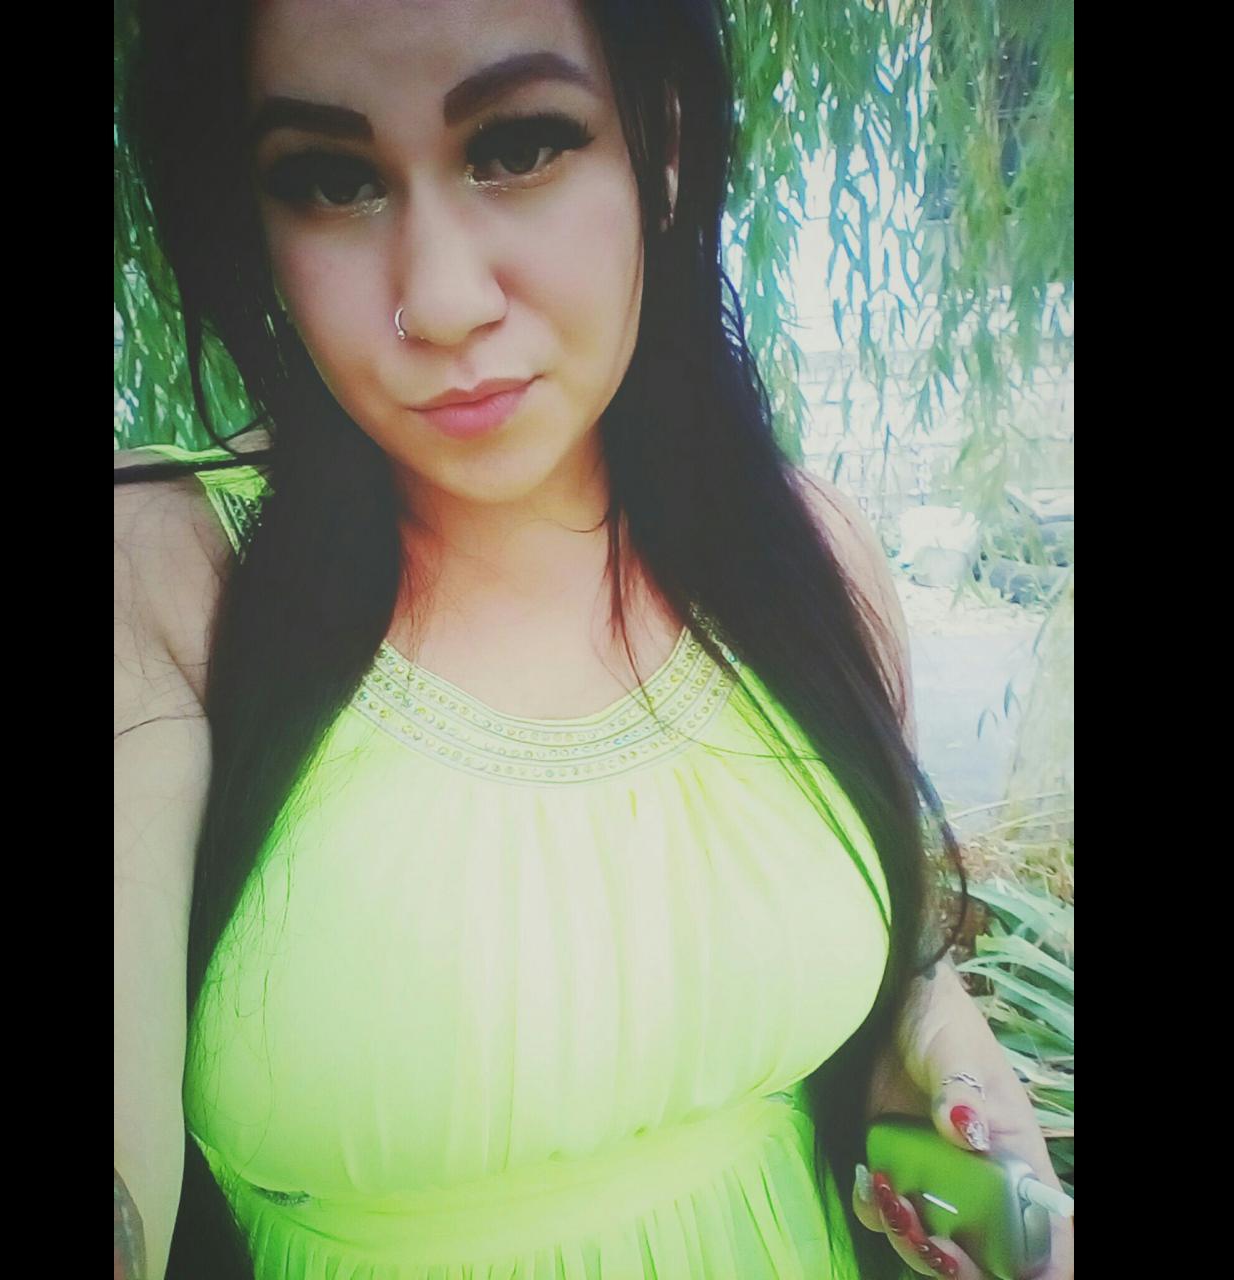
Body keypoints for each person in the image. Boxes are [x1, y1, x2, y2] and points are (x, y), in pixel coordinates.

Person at [113, 2, 1073, 1278]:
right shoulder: (164, 580)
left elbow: (893, 978)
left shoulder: (809, 561)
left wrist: (961, 1112)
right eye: (331, 180)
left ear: (660, 145)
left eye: (516, 146)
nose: (441, 300)